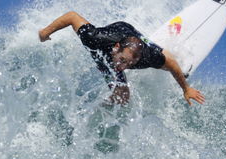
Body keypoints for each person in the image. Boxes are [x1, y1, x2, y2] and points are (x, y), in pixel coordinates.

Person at [39, 11, 205, 105]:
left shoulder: (145, 57)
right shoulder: (95, 38)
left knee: (163, 59)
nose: (124, 67)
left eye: (130, 64)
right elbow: (72, 16)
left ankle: (105, 104)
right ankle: (103, 106)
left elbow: (170, 63)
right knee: (123, 95)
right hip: (119, 31)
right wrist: (45, 32)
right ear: (117, 48)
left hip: (136, 40)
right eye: (124, 61)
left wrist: (185, 88)